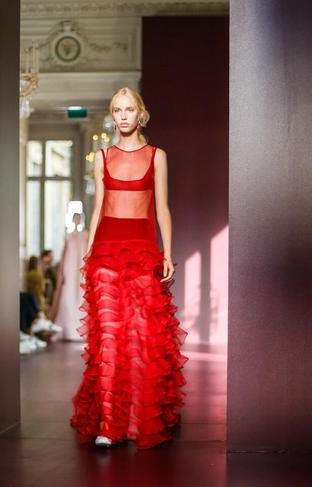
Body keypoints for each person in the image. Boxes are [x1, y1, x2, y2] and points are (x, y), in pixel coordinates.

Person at [69, 87, 188, 449]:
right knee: (108, 339)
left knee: (141, 337)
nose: (123, 116)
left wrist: (167, 253)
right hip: (106, 251)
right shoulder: (102, 156)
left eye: (128, 110)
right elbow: (98, 208)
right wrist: (89, 255)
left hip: (142, 252)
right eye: (117, 110)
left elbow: (162, 209)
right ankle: (109, 424)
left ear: (141, 114)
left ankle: (138, 420)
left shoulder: (157, 156)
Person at [49, 212, 89, 341]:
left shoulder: (86, 235)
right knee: (68, 294)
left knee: (81, 294)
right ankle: (68, 329)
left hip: (81, 266)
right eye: (75, 218)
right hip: (70, 267)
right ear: (72, 220)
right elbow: (64, 253)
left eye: (79, 218)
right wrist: (61, 272)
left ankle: (82, 329)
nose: (77, 220)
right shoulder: (68, 236)